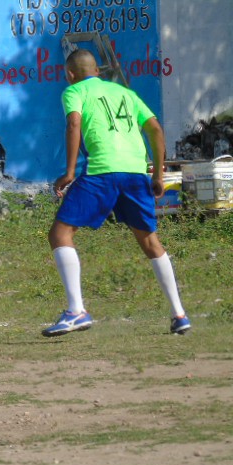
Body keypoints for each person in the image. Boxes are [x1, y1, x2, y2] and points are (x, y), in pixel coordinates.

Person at [42, 48, 191, 337]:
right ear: (98, 71)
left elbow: (74, 123)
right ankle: (179, 314)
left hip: (102, 171)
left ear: (69, 74)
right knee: (150, 242)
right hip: (135, 173)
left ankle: (76, 311)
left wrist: (69, 172)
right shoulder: (126, 93)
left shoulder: (74, 91)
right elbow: (155, 129)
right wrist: (157, 175)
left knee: (60, 234)